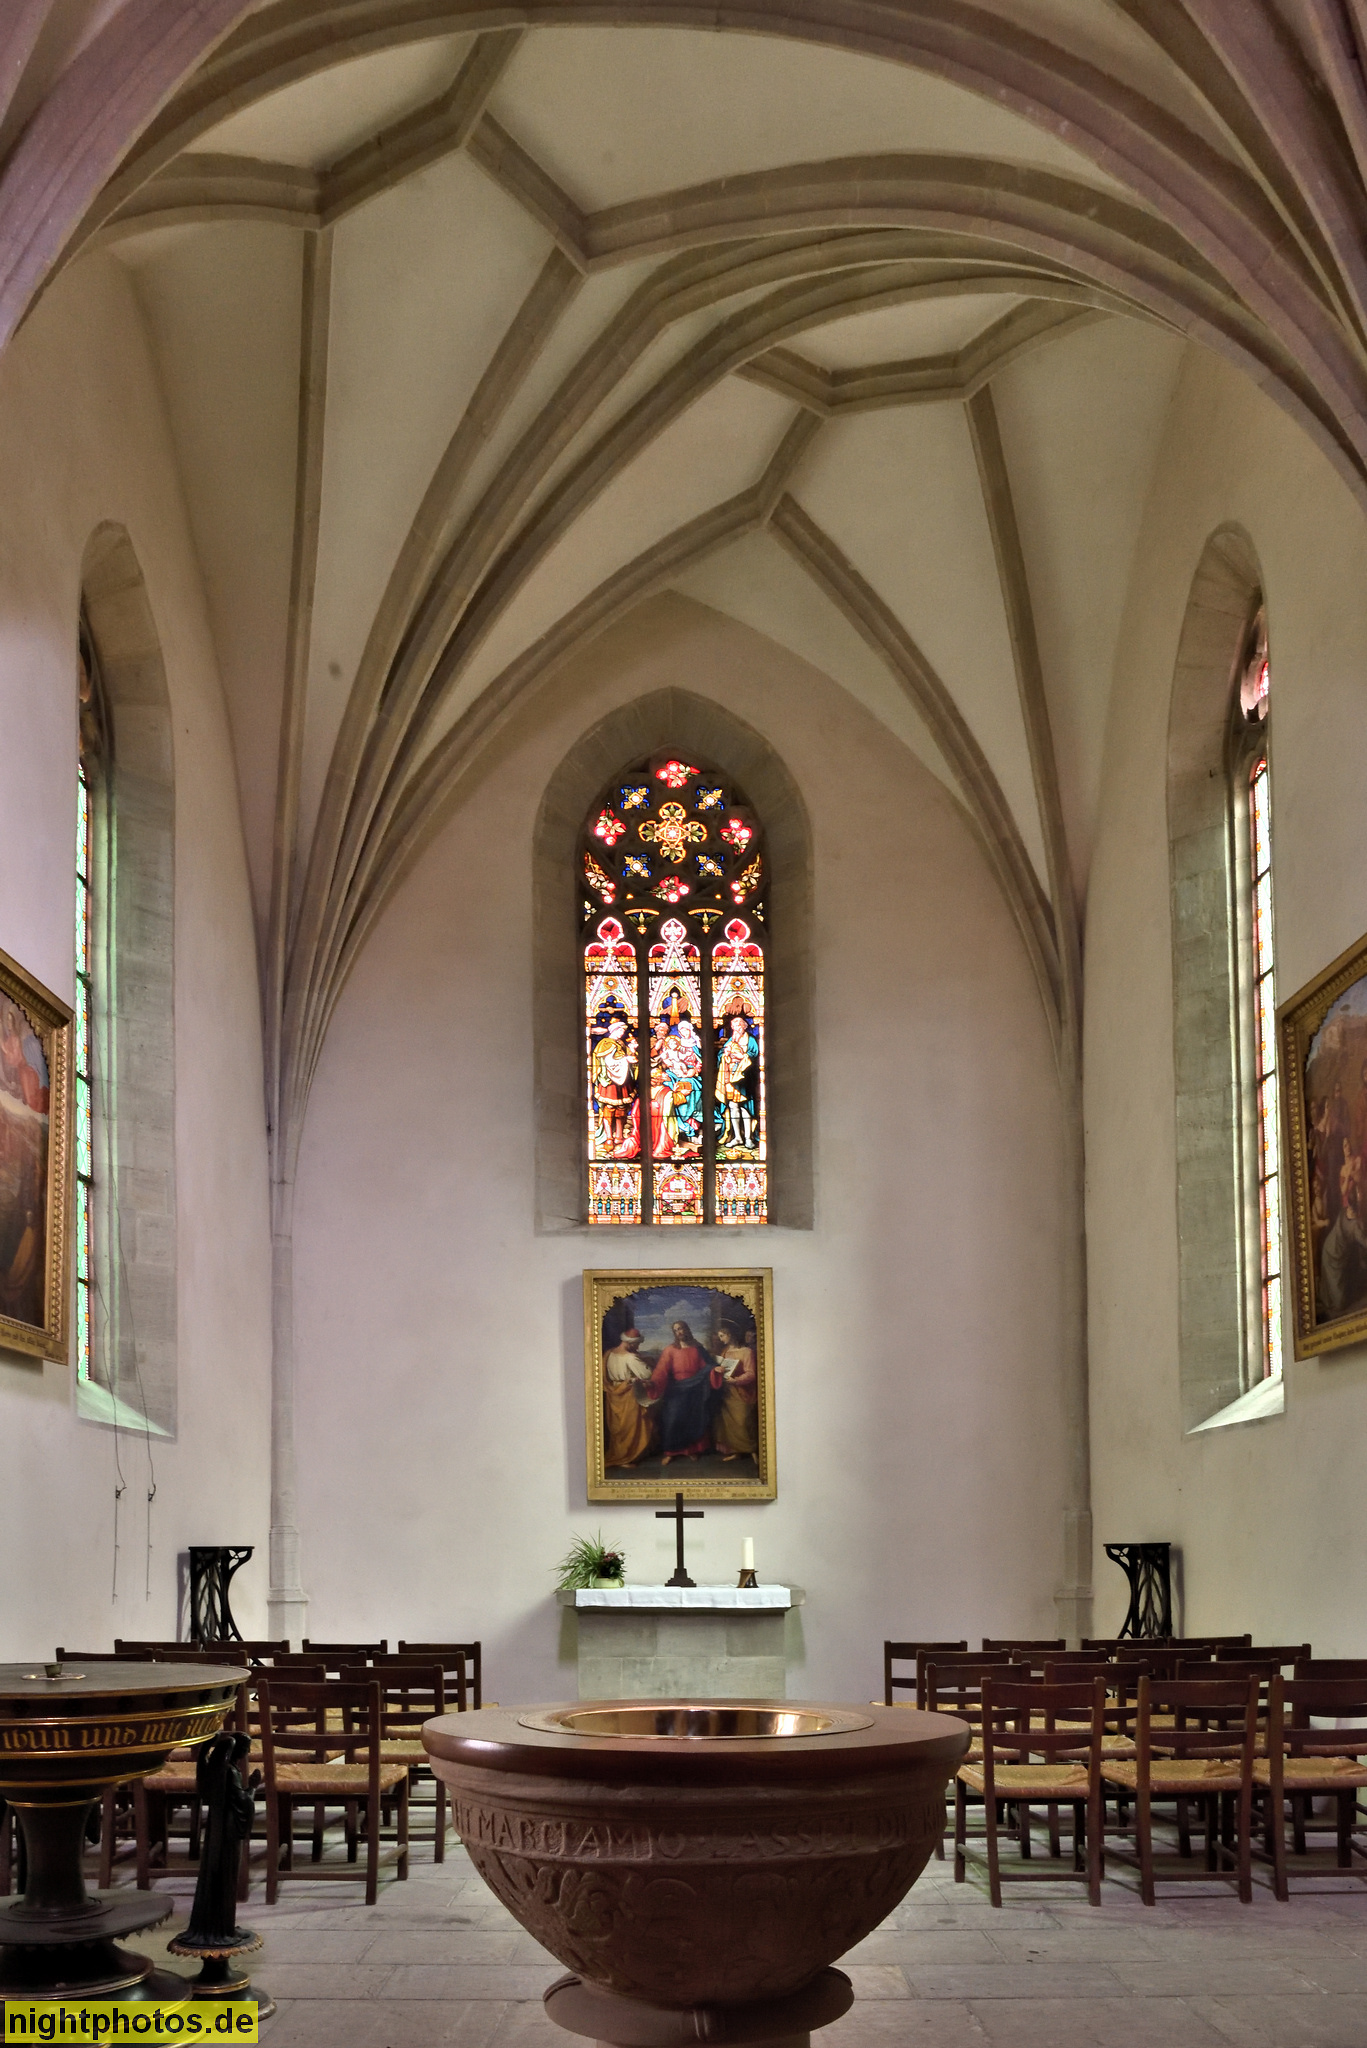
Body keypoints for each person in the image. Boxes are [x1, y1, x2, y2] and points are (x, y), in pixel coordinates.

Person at [642, 1319, 721, 1464]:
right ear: (674, 1333)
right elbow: (661, 1371)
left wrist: (714, 1369)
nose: (679, 1332)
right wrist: (652, 1383)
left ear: (687, 1329)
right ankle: (671, 1452)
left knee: (693, 1420)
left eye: (681, 1328)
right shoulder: (670, 1350)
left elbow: (708, 1366)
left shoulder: (698, 1348)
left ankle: (692, 1450)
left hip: (696, 1389)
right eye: (676, 1330)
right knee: (672, 1420)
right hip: (676, 1390)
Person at [603, 1326, 653, 1467]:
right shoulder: (630, 1357)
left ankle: (621, 1454)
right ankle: (626, 1457)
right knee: (631, 1426)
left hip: (614, 1393)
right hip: (628, 1394)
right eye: (637, 1344)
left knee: (618, 1426)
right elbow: (647, 1374)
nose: (638, 1347)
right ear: (630, 1343)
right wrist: (648, 1362)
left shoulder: (609, 1353)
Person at [591, 1010, 637, 1158]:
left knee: (622, 1108)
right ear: (614, 1030)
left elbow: (630, 1058)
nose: (622, 1034)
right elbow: (607, 1062)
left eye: (623, 1031)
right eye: (620, 1031)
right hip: (609, 1081)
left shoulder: (621, 1043)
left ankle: (619, 1136)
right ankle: (609, 1138)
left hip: (623, 1081)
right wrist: (625, 1060)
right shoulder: (605, 1043)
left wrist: (632, 1050)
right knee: (609, 1109)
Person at [713, 1319, 758, 1461]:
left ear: (730, 1334)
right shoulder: (725, 1351)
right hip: (727, 1392)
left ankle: (753, 1452)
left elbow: (751, 1373)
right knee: (730, 1424)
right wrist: (717, 1369)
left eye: (722, 1336)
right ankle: (736, 1451)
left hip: (742, 1392)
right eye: (719, 1336)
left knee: (743, 1422)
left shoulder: (747, 1352)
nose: (721, 1339)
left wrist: (736, 1380)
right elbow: (721, 1367)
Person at [716, 1008, 759, 1154]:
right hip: (730, 1078)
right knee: (733, 1107)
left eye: (740, 1025)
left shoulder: (750, 1040)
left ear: (744, 1026)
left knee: (745, 1108)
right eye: (734, 1025)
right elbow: (720, 1055)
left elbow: (755, 1055)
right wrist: (725, 1054)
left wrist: (742, 1057)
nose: (737, 1028)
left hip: (744, 1079)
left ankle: (748, 1138)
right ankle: (737, 1137)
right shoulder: (731, 1040)